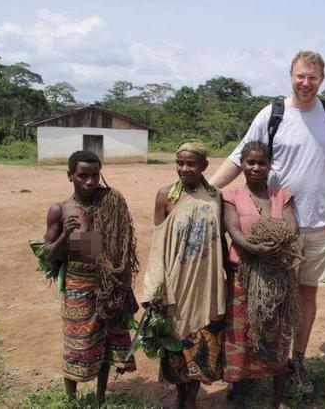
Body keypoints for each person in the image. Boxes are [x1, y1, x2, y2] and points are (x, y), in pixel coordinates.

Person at [210, 51, 325, 393]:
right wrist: (204, 190)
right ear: (290, 76)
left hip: (323, 223)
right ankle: (251, 365)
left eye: (312, 77)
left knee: (306, 298)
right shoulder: (272, 114)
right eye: (300, 76)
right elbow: (239, 157)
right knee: (267, 294)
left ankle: (296, 362)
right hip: (278, 225)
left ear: (322, 78)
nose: (306, 83)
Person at [43, 150, 138, 403]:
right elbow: (49, 254)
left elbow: (117, 246)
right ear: (70, 176)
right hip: (79, 285)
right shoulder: (61, 210)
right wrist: (66, 237)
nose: (90, 182)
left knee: (106, 344)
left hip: (110, 285)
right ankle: (71, 399)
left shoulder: (111, 201)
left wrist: (117, 280)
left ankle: (100, 397)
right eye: (83, 176)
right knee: (77, 342)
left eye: (95, 175)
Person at [143, 140, 226, 409]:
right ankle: (179, 397)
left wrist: (228, 272)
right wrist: (154, 287)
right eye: (180, 163)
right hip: (175, 284)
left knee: (202, 344)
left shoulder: (215, 196)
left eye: (191, 164)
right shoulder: (166, 196)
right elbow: (158, 246)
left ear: (204, 166)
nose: (184, 168)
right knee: (176, 345)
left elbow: (220, 240)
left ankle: (191, 399)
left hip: (206, 284)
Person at [223, 141, 297, 409]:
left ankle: (277, 400)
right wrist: (254, 247)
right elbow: (234, 231)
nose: (255, 167)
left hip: (277, 279)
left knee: (276, 334)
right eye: (250, 162)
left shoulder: (282, 196)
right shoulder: (231, 197)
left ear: (269, 165)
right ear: (242, 164)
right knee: (240, 338)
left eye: (261, 162)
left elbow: (292, 229)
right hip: (244, 278)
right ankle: (240, 397)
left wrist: (274, 245)